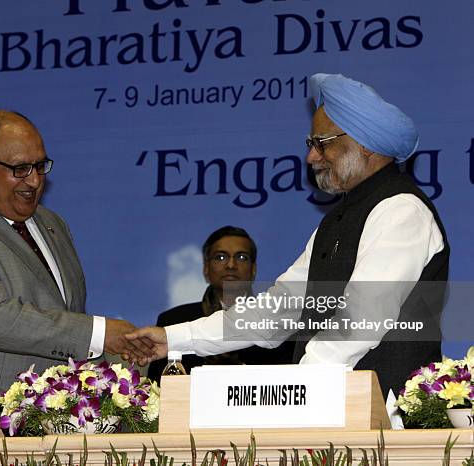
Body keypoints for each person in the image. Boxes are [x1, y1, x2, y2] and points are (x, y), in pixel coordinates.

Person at [127, 73, 449, 398]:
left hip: (387, 421)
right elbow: (276, 310)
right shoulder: (339, 219)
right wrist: (173, 338)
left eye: (321, 143)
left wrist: (300, 389)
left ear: (363, 143)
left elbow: (364, 315)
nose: (311, 157)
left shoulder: (401, 210)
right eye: (311, 145)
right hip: (335, 409)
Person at [0, 110, 147, 403]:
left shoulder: (53, 225)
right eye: (20, 168)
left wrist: (129, 355)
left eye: (40, 166)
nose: (35, 180)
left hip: (50, 420)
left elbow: (63, 320)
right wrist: (99, 334)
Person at [147, 226, 294, 381]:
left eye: (242, 257)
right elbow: (158, 391)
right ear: (205, 269)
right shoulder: (174, 321)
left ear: (254, 270)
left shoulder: (277, 320)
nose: (231, 265)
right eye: (221, 257)